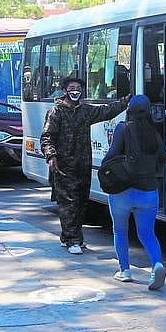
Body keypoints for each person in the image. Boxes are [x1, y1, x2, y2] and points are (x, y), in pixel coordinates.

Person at [40, 76, 130, 255]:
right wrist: (51, 156)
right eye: (72, 88)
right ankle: (74, 240)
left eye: (79, 88)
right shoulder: (56, 112)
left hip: (83, 165)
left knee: (81, 203)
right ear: (65, 91)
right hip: (63, 167)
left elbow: (107, 110)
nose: (75, 91)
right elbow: (46, 137)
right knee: (68, 204)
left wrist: (126, 101)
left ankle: (68, 237)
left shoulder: (85, 111)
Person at [102, 94, 166, 289]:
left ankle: (125, 271)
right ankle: (157, 265)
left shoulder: (123, 128)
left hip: (122, 191)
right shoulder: (154, 133)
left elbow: (111, 156)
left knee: (119, 230)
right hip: (148, 192)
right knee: (148, 234)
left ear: (128, 110)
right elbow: (164, 157)